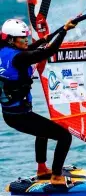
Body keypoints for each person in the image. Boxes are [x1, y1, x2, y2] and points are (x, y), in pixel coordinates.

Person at [0, 18, 77, 185]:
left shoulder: (3, 52)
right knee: (65, 137)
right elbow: (46, 53)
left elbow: (30, 50)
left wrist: (51, 35)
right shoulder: (19, 58)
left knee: (43, 131)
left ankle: (42, 169)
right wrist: (63, 32)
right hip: (19, 116)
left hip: (12, 114)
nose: (26, 41)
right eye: (23, 38)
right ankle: (56, 177)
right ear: (11, 39)